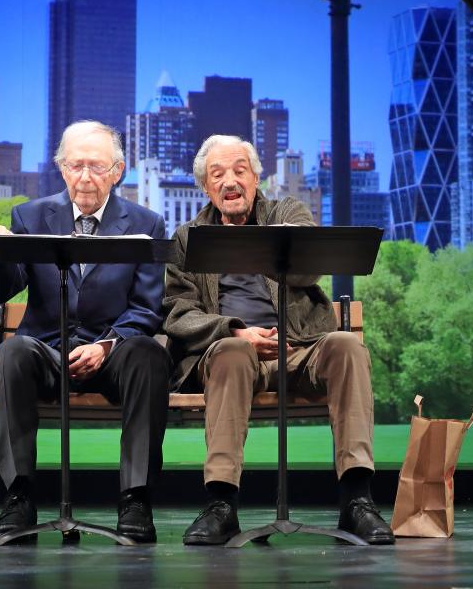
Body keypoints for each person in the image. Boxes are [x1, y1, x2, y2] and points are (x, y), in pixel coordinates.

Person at [162, 134, 395, 546]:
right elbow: (179, 313)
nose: (230, 181)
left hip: (299, 348)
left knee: (347, 346)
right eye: (217, 174)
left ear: (256, 177)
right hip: (230, 354)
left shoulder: (286, 212)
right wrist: (236, 330)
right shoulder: (188, 237)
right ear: (205, 187)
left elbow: (307, 274)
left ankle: (357, 501)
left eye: (239, 170)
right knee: (234, 353)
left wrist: (274, 243)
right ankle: (221, 505)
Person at [0, 120, 172, 543]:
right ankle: (19, 496)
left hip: (114, 354)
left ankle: (135, 499)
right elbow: (3, 289)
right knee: (10, 353)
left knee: (149, 354)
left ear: (117, 171)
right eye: (76, 165)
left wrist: (105, 347)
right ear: (62, 169)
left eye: (97, 167)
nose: (86, 176)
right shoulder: (30, 216)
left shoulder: (146, 223)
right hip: (48, 351)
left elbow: (147, 307)